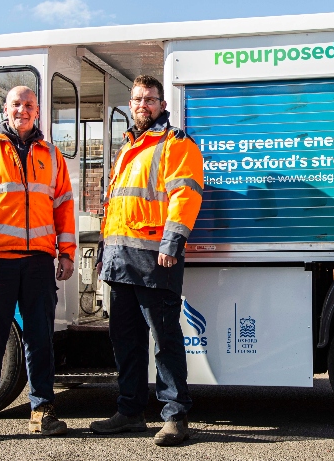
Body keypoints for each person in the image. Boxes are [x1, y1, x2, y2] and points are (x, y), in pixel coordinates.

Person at [0, 86, 76, 445]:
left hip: (39, 261)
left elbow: (64, 207)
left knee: (40, 339)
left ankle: (42, 412)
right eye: (16, 105)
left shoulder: (52, 155)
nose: (22, 110)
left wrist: (66, 252)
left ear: (37, 111)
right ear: (5, 109)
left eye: (29, 105)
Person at [89, 75, 203, 447]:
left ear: (162, 105)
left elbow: (185, 195)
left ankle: (175, 416)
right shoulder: (128, 147)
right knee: (126, 340)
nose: (142, 105)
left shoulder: (175, 143)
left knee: (165, 339)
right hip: (120, 259)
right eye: (137, 99)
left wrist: (172, 243)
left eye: (150, 99)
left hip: (156, 259)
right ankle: (130, 412)